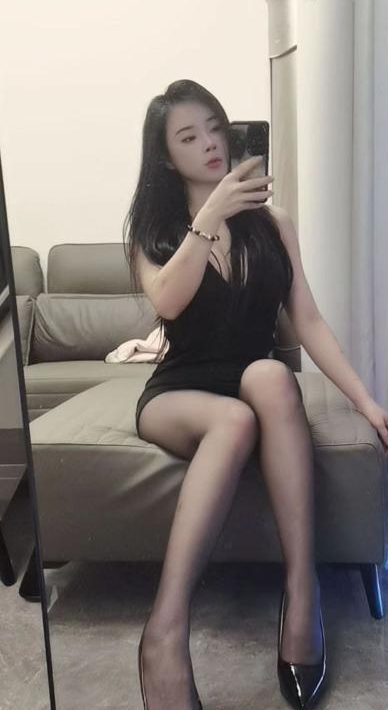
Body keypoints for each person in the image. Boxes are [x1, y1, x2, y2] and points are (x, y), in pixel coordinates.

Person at [123, 79, 356, 710]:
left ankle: (302, 595)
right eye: (188, 137)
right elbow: (169, 301)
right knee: (232, 420)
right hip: (179, 393)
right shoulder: (153, 230)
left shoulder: (273, 224)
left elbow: (307, 321)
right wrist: (209, 218)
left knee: (271, 376)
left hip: (253, 381)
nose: (209, 143)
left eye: (215, 128)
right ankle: (164, 631)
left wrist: (367, 401)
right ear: (167, 156)